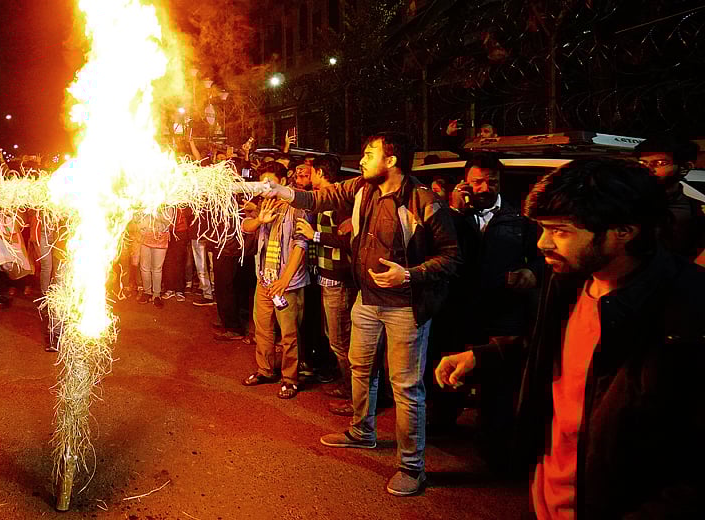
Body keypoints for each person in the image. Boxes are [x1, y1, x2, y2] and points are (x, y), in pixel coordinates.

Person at [435, 158, 705, 518]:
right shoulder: (570, 279)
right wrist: (481, 357)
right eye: (543, 229)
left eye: (561, 230)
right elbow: (557, 350)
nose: (543, 243)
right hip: (548, 494)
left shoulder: (688, 311)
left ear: (624, 231)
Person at [264, 131, 460, 496]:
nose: (364, 159)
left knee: (405, 387)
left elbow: (451, 257)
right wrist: (282, 192)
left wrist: (410, 274)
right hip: (366, 301)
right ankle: (362, 431)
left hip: (406, 307)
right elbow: (320, 197)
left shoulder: (424, 201)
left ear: (392, 161)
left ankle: (412, 467)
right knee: (360, 368)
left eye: (370, 153)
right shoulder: (362, 189)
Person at [435, 153, 542, 443]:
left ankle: (495, 445)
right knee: (448, 379)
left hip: (501, 315)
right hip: (458, 312)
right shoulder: (451, 217)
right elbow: (439, 250)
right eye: (477, 182)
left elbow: (540, 258)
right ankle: (440, 430)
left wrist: (530, 273)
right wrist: (455, 212)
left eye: (491, 181)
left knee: (497, 387)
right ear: (465, 183)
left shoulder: (518, 219)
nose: (484, 188)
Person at [293, 155, 359, 415]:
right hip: (327, 277)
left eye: (311, 172)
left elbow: (350, 240)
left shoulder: (342, 202)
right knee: (335, 338)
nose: (308, 177)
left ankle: (357, 397)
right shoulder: (325, 199)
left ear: (320, 172)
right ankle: (348, 386)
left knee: (342, 341)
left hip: (341, 279)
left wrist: (315, 235)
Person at [240, 162, 311, 399]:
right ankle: (265, 370)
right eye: (263, 184)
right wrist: (260, 219)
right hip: (264, 280)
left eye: (270, 183)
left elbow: (301, 245)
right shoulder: (264, 203)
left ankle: (290, 379)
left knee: (289, 334)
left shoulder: (297, 205)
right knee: (263, 329)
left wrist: (285, 280)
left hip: (286, 284)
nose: (265, 188)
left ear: (283, 181)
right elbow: (246, 226)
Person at [634, 135, 705, 265]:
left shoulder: (697, 211)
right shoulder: (622, 202)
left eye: (660, 163)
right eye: (642, 163)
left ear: (685, 167)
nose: (648, 169)